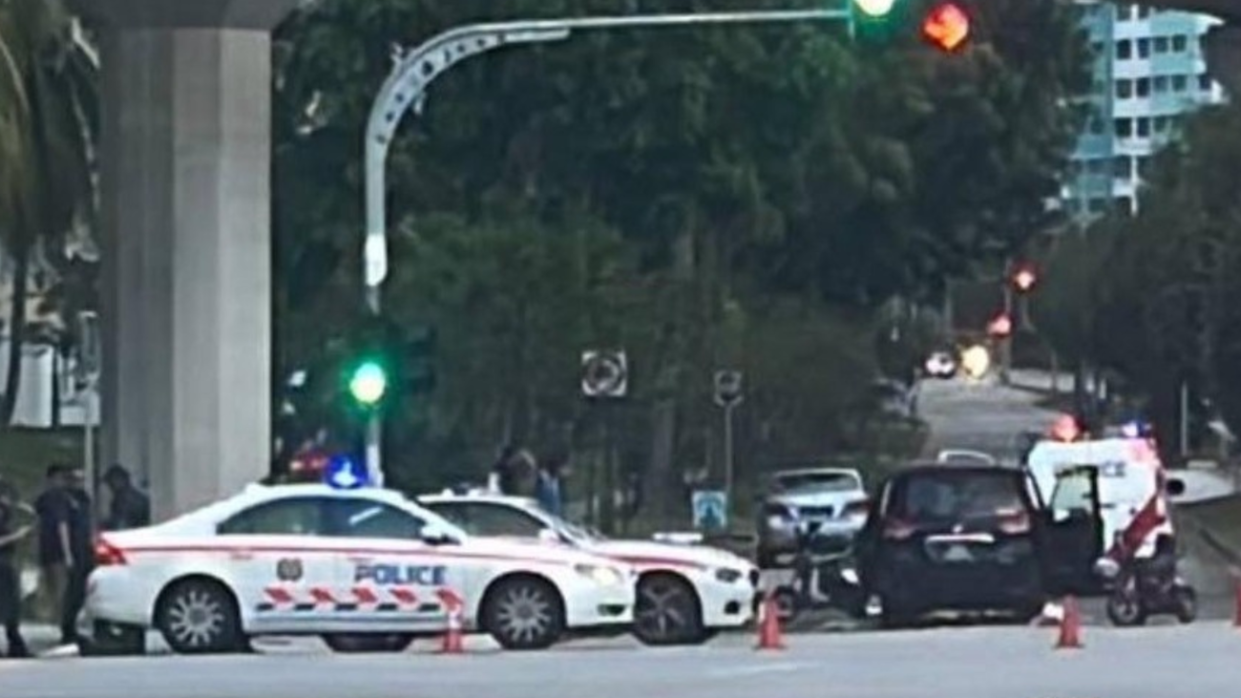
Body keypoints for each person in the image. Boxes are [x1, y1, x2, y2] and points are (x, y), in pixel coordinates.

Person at [34, 465, 73, 635]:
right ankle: (60, 620)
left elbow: (36, 523)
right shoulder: (61, 499)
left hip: (45, 548)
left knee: (51, 585)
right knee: (60, 587)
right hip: (56, 549)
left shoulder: (42, 499)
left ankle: (53, 618)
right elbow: (62, 525)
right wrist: (68, 552)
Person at [0, 479, 32, 658]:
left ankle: (15, 643)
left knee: (12, 606)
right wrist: (16, 536)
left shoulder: (8, 512)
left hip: (7, 565)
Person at [62, 469, 93, 645]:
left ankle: (78, 627)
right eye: (76, 479)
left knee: (83, 591)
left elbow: (89, 523)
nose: (79, 483)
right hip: (74, 551)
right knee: (72, 593)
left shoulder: (84, 499)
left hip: (85, 550)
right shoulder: (67, 499)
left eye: (82, 479)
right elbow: (63, 526)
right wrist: (67, 554)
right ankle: (67, 629)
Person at [101, 465, 150, 531]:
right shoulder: (122, 498)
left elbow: (123, 524)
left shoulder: (126, 500)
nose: (110, 487)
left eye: (111, 482)